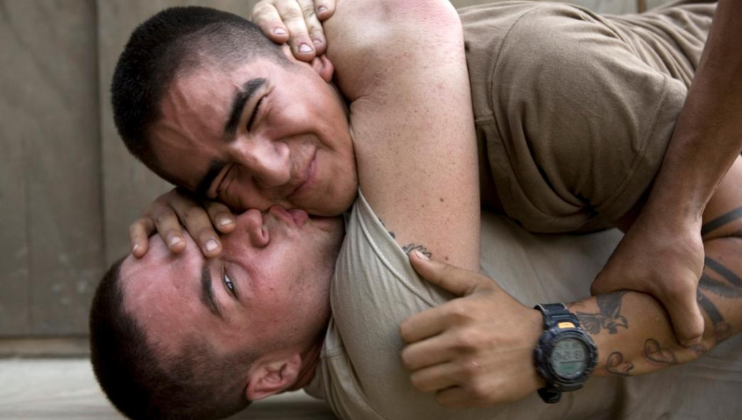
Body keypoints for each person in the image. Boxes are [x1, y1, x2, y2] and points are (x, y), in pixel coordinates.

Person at [90, 1, 742, 419]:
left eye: (259, 112)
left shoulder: (532, 86)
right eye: (222, 184)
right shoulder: (305, 205)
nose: (271, 177)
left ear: (307, 56)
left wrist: (554, 342)